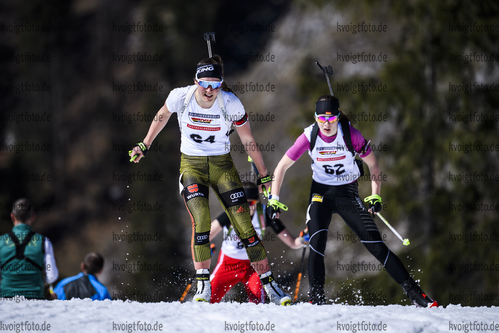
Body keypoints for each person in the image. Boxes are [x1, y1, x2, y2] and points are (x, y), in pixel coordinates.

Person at [129, 55, 291, 305]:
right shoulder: (180, 96)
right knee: (201, 221)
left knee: (245, 226)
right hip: (192, 166)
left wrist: (263, 174)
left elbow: (248, 140)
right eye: (204, 83)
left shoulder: (230, 103)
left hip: (222, 167)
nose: (209, 90)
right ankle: (202, 284)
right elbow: (161, 116)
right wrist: (145, 144)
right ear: (195, 81)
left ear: (221, 84)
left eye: (215, 84)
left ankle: (270, 285)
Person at [268, 95, 438, 307]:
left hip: (347, 194)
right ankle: (317, 299)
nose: (326, 123)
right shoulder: (309, 136)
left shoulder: (350, 135)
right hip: (321, 194)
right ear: (315, 117)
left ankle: (415, 293)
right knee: (317, 242)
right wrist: (273, 199)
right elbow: (281, 167)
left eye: (331, 118)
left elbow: (373, 166)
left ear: (338, 117)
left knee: (375, 245)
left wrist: (376, 195)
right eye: (322, 118)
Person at [209, 181, 307, 303]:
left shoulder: (265, 214)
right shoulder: (230, 214)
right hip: (228, 264)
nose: (245, 208)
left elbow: (292, 242)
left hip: (254, 266)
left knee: (258, 302)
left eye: (250, 203)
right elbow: (205, 235)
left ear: (256, 202)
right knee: (208, 298)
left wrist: (303, 240)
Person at [0, 198, 59, 299]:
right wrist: (42, 282)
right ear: (33, 217)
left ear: (12, 216)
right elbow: (51, 274)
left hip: (6, 297)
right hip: (35, 296)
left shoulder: (1, 241)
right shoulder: (44, 242)